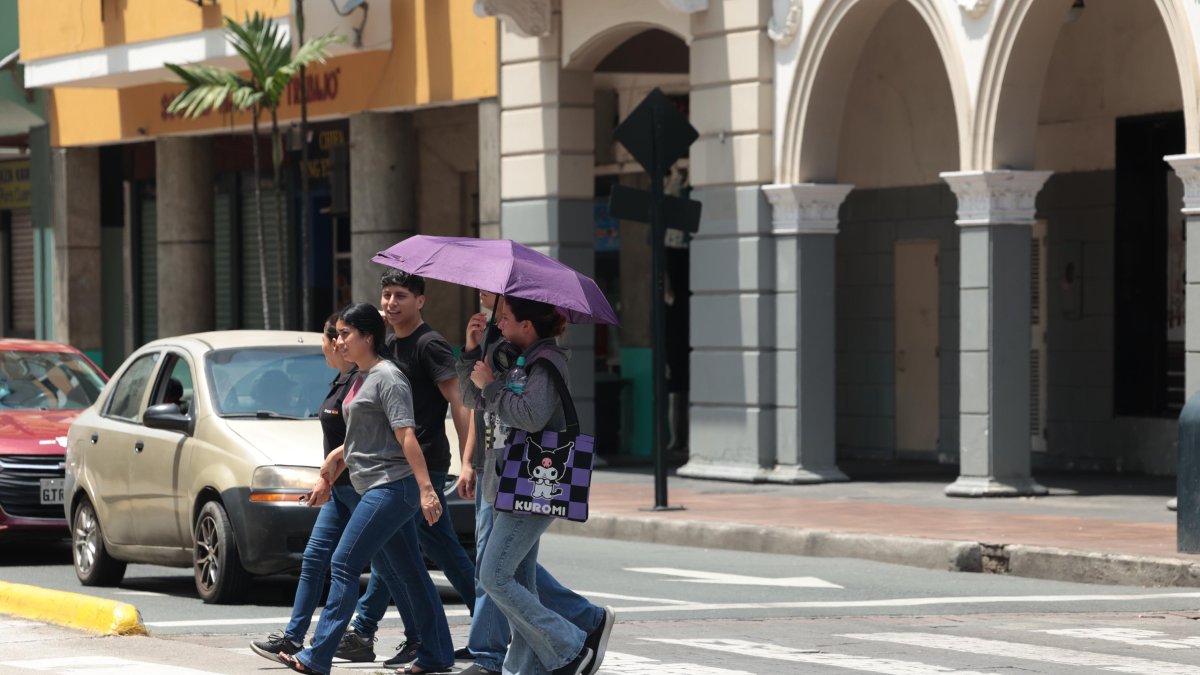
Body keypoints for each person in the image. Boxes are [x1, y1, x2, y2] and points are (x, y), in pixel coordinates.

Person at [278, 303, 455, 675]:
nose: (338, 340)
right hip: (374, 484)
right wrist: (334, 463)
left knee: (343, 562)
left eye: (345, 334)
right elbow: (363, 436)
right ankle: (437, 653)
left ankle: (317, 655)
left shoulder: (388, 377)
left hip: (391, 487)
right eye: (338, 334)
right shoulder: (360, 377)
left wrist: (427, 489)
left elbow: (406, 435)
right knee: (410, 572)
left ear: (368, 337)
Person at [461, 295, 615, 675]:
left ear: (527, 326)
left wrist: (493, 388)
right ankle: (524, 669)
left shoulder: (546, 364)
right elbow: (472, 401)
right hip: (505, 481)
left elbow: (531, 417)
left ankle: (570, 646)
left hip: (532, 482)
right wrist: (470, 357)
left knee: (493, 575)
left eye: (507, 318)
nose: (500, 324)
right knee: (520, 583)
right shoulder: (516, 360)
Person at [336, 271, 477, 667]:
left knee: (435, 549)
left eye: (401, 295)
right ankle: (386, 632)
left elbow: (460, 402)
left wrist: (468, 461)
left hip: (424, 464)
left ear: (421, 301)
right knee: (398, 552)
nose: (391, 303)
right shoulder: (388, 343)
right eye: (386, 295)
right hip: (395, 466)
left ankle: (486, 630)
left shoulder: (429, 344)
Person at [249, 313, 366, 664]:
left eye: (334, 339)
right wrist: (327, 478)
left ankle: (420, 638)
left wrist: (329, 470)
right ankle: (293, 638)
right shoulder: (340, 380)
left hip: (362, 489)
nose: (328, 347)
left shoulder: (361, 381)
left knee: (392, 568)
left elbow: (366, 435)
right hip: (339, 491)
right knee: (315, 559)